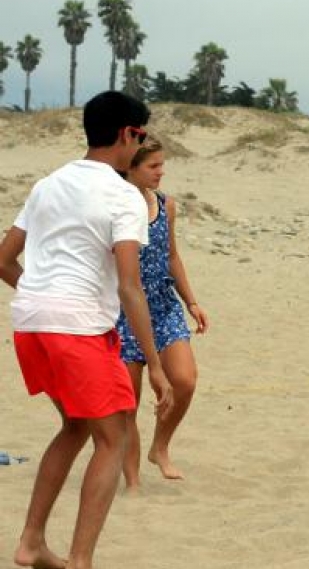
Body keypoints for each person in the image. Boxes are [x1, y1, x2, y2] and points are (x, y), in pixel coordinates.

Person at [0, 91, 174, 569]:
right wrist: (156, 365)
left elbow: (3, 259)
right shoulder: (124, 196)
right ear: (127, 134)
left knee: (76, 426)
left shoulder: (48, 184)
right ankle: (81, 562)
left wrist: (40, 295)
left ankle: (32, 543)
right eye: (139, 135)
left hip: (31, 324)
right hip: (77, 330)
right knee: (114, 437)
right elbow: (130, 287)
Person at [116, 135, 208, 489]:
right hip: (123, 313)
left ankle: (160, 446)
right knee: (128, 404)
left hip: (163, 306)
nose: (161, 172)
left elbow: (171, 256)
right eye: (153, 166)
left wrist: (192, 302)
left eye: (161, 165)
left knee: (184, 381)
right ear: (131, 168)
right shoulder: (117, 206)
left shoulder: (166, 205)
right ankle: (133, 481)